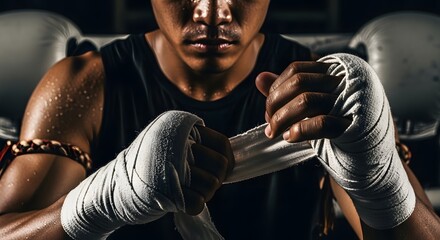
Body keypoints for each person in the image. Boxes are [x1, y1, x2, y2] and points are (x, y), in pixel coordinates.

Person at [0, 1, 439, 239]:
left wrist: (377, 178)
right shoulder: (86, 84)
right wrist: (101, 201)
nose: (213, 12)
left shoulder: (322, 93)